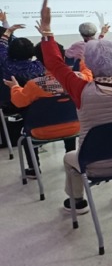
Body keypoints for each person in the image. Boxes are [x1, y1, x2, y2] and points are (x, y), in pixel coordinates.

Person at [40, 0, 112, 214]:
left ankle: (78, 202)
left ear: (88, 63)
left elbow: (54, 63)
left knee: (69, 159)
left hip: (95, 164)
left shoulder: (81, 90)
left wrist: (47, 32)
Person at [3, 41, 92, 177]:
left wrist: (15, 87)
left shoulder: (34, 85)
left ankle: (34, 169)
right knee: (65, 115)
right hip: (75, 127)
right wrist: (83, 60)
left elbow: (19, 102)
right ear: (63, 57)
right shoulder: (77, 78)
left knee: (26, 135)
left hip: (40, 132)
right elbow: (88, 75)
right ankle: (71, 158)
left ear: (39, 60)